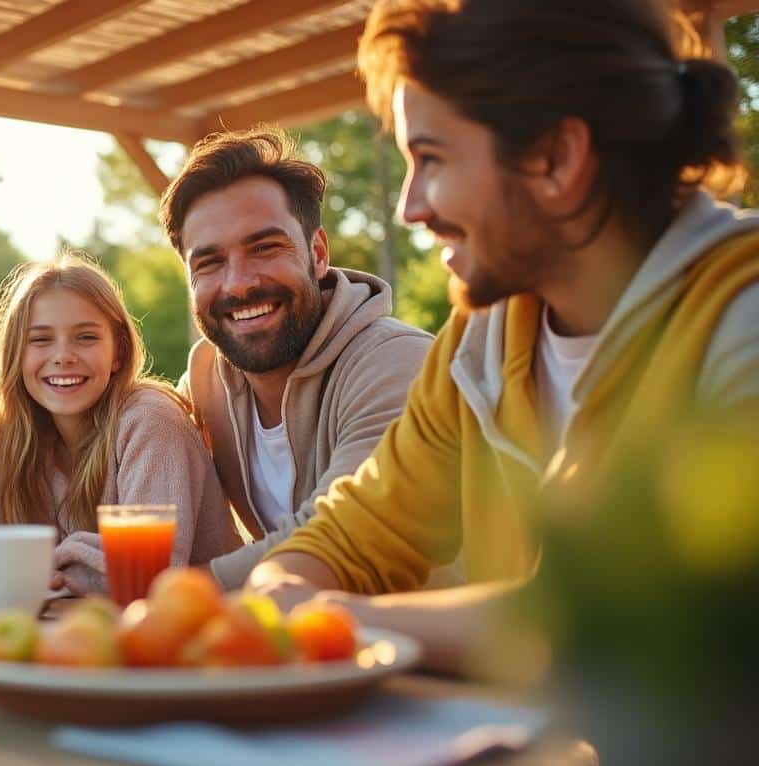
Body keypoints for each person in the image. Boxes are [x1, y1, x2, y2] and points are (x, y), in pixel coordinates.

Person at [248, 0, 759, 678]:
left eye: (431, 158)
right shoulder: (483, 341)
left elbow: (642, 623)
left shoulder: (741, 323)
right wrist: (283, 586)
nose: (410, 207)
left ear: (555, 158)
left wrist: (325, 617)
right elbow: (352, 535)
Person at [163, 127, 433, 589]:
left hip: (424, 634)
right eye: (209, 262)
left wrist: (170, 592)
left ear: (318, 252)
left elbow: (342, 534)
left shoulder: (399, 364)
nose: (239, 283)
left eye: (264, 248)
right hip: (300, 631)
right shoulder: (205, 380)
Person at [0, 253, 240, 595]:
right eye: (40, 339)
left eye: (86, 337)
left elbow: (150, 567)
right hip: (89, 623)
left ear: (118, 354)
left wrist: (41, 566)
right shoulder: (27, 441)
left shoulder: (150, 420)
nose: (63, 356)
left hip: (196, 619)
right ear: (16, 356)